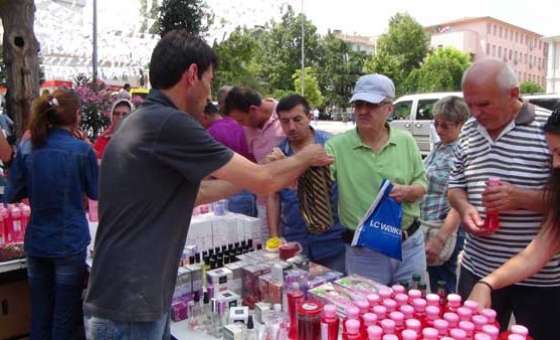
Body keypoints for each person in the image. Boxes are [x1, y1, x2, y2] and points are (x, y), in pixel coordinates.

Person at [83, 30, 332, 340]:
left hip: (129, 299)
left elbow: (198, 191)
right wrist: (308, 154)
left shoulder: (143, 120)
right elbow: (265, 182)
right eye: (209, 80)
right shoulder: (169, 123)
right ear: (191, 75)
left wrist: (251, 176)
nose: (209, 93)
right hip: (130, 308)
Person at [448, 59, 559, 338]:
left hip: (540, 282)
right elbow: (455, 185)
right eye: (469, 104)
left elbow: (544, 239)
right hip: (479, 266)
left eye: (484, 104)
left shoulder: (548, 129)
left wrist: (521, 198)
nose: (475, 113)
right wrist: (465, 209)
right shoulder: (470, 130)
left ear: (513, 93)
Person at [6, 89, 99, 340]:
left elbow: (12, 192)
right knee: (64, 318)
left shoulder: (27, 148)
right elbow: (96, 191)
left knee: (40, 314)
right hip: (69, 243)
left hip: (37, 241)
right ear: (76, 116)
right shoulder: (82, 151)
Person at [325, 74, 427, 285]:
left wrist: (408, 191)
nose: (362, 111)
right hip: (365, 253)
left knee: (411, 311)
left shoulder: (406, 141)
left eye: (371, 104)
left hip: (408, 247)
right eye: (358, 104)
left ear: (389, 109)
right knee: (368, 314)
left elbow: (423, 184)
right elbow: (315, 182)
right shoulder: (336, 146)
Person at [266, 94, 346, 273]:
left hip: (332, 239)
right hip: (295, 241)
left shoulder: (331, 146)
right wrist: (274, 236)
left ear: (310, 117)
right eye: (285, 121)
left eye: (297, 119)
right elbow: (273, 197)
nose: (291, 127)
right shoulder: (278, 153)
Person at [419, 96, 469, 293]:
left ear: (460, 124)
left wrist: (440, 238)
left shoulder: (462, 153)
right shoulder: (440, 147)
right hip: (428, 225)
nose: (439, 130)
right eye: (436, 124)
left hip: (444, 230)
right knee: (436, 282)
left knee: (443, 289)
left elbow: (460, 201)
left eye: (445, 126)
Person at [224, 87, 286, 240]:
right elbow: (254, 161)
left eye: (241, 120)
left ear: (253, 110)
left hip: (289, 204)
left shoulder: (286, 115)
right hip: (263, 203)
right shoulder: (248, 128)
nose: (241, 125)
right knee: (269, 251)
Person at [202, 100, 256, 216]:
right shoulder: (238, 123)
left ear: (205, 117)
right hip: (252, 186)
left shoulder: (209, 134)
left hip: (228, 191)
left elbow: (208, 171)